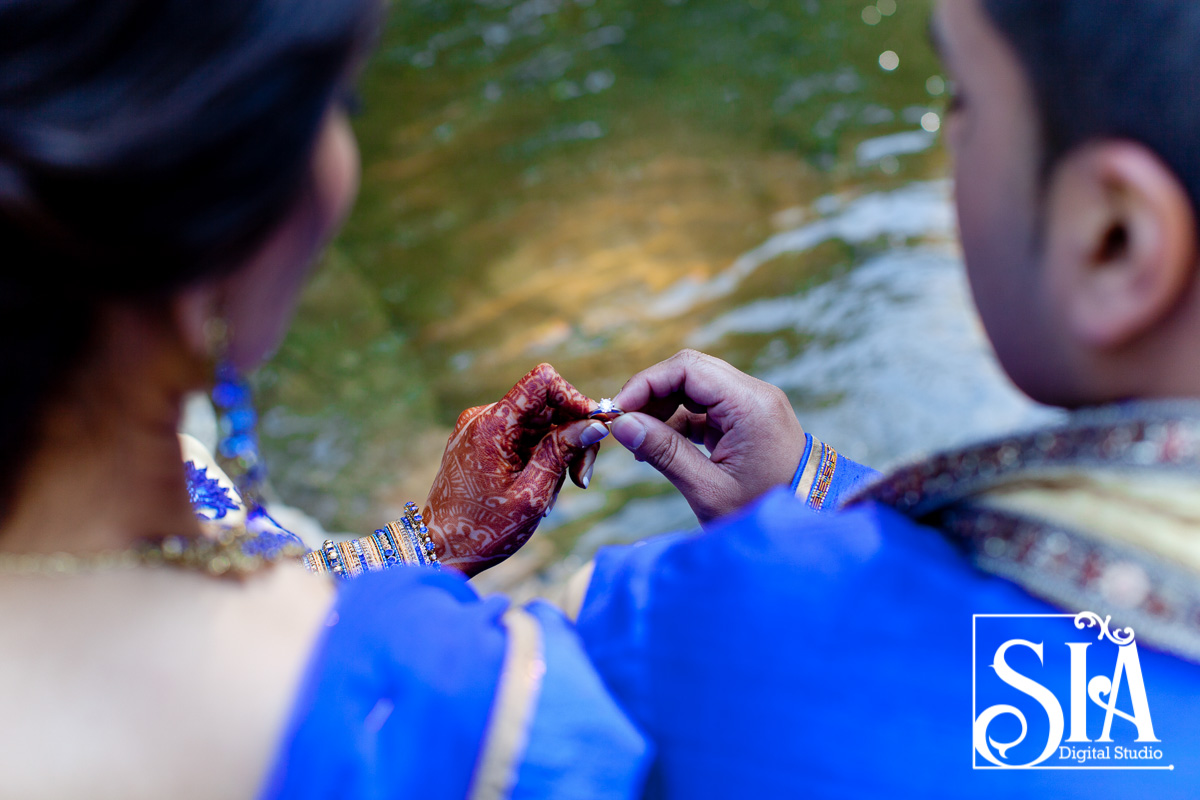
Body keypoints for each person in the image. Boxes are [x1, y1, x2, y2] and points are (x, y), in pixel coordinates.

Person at [0, 2, 647, 797]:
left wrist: (429, 541)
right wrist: (803, 494)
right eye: (340, 106)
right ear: (219, 210)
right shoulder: (468, 717)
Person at [572, 0, 1200, 796]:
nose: (949, 139)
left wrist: (431, 538)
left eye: (961, 96)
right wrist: (810, 493)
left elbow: (415, 704)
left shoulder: (726, 625)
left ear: (1113, 240)